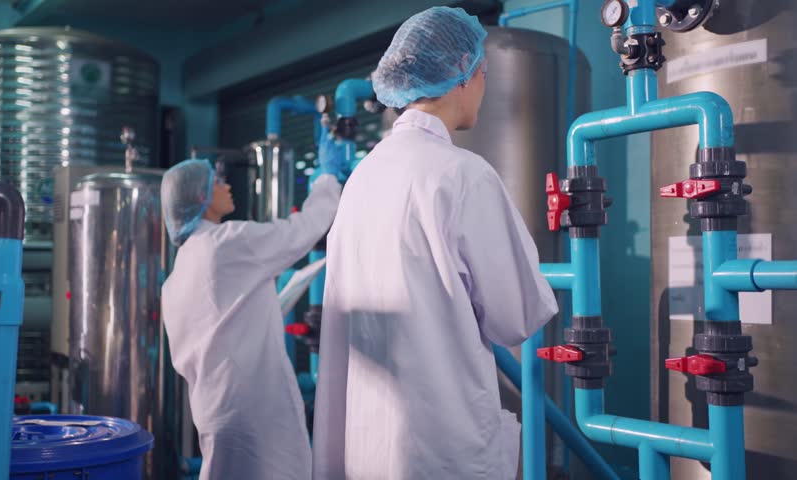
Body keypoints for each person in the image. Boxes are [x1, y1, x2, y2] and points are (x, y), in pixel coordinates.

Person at [312, 6, 558, 480]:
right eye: (483, 71)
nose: (484, 86)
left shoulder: (364, 176)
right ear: (461, 76)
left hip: (366, 446)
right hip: (440, 448)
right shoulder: (462, 175)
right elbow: (517, 315)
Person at [160, 131, 347, 480]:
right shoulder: (223, 245)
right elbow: (302, 230)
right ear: (201, 196)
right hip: (253, 408)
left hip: (215, 408)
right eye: (217, 182)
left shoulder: (178, 274)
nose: (227, 186)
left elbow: (223, 325)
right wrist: (326, 176)